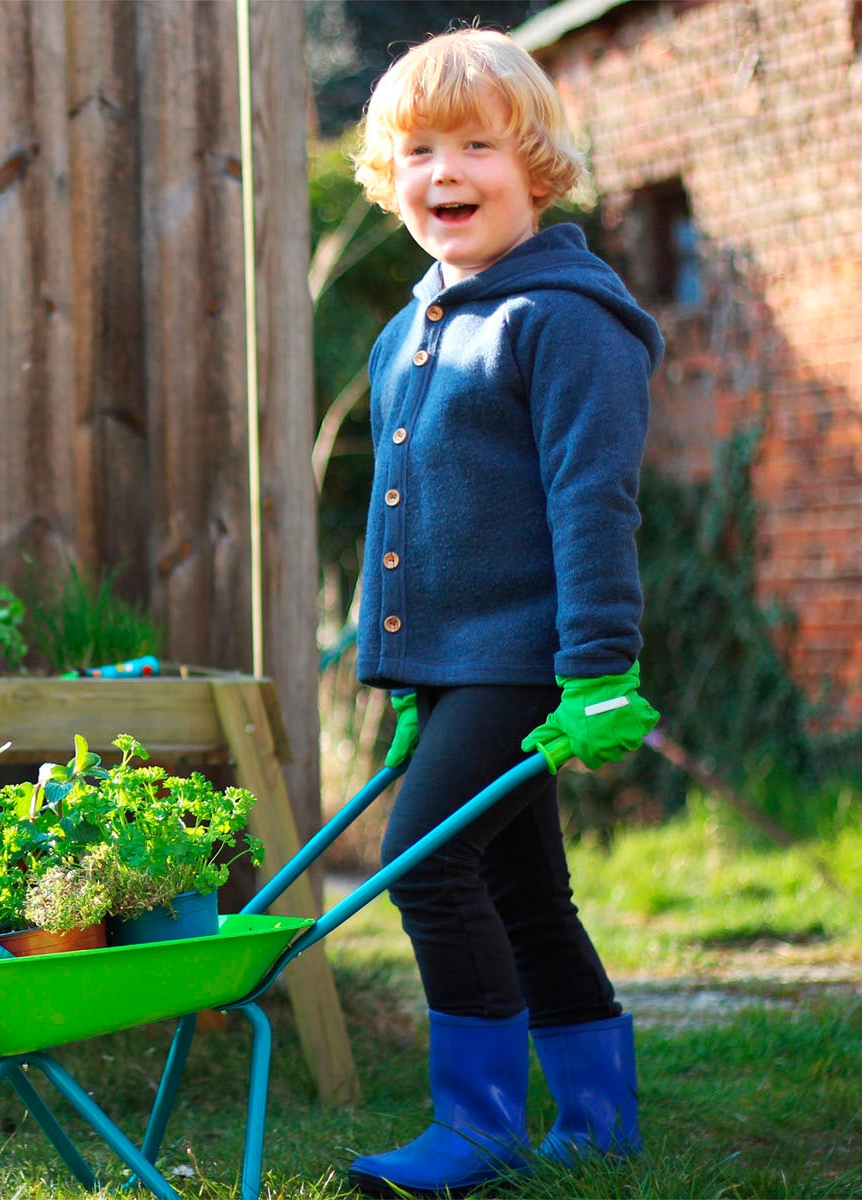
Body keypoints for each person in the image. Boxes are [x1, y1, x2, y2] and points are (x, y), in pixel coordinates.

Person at [344, 28, 663, 1197]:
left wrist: (599, 669)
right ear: (391, 177)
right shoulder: (408, 330)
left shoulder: (566, 320)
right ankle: (598, 1120)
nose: (446, 172)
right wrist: (407, 682)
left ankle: (477, 1127)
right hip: (455, 667)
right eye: (418, 149)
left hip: (532, 659)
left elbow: (591, 501)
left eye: (477, 144)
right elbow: (405, 520)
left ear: (535, 165)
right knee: (525, 886)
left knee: (423, 868)